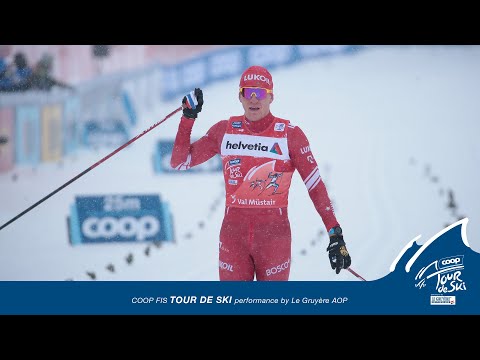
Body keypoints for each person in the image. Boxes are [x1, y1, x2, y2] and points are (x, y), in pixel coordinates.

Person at [170, 65, 351, 281]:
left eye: (260, 93)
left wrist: (335, 232)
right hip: (233, 239)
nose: (254, 99)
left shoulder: (290, 135)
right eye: (248, 92)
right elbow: (179, 162)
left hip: (274, 240)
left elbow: (315, 186)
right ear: (240, 96)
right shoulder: (224, 130)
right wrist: (188, 118)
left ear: (271, 97)